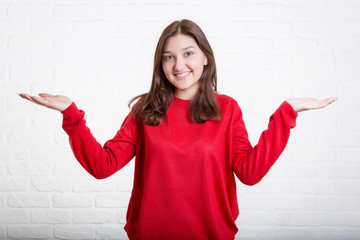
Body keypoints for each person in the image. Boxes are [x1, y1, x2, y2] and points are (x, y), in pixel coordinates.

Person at [19, 19, 337, 240]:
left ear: (206, 60)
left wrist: (286, 115)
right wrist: (70, 114)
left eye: (188, 54)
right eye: (168, 57)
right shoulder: (145, 110)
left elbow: (249, 172)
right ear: (161, 64)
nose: (178, 65)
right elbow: (102, 166)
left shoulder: (227, 109)